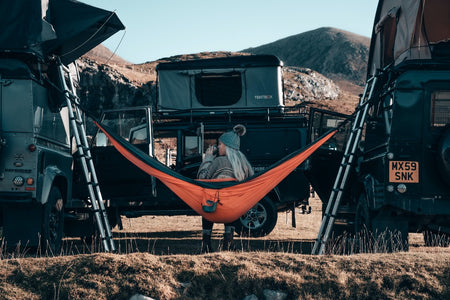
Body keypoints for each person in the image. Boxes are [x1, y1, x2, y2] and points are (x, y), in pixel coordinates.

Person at [197, 124, 254, 252]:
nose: (218, 147)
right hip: (232, 211)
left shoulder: (218, 161)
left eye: (220, 144)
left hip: (213, 210)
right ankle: (228, 242)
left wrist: (208, 158)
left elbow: (202, 177)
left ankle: (206, 244)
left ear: (228, 147)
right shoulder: (244, 164)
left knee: (208, 199)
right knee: (229, 201)